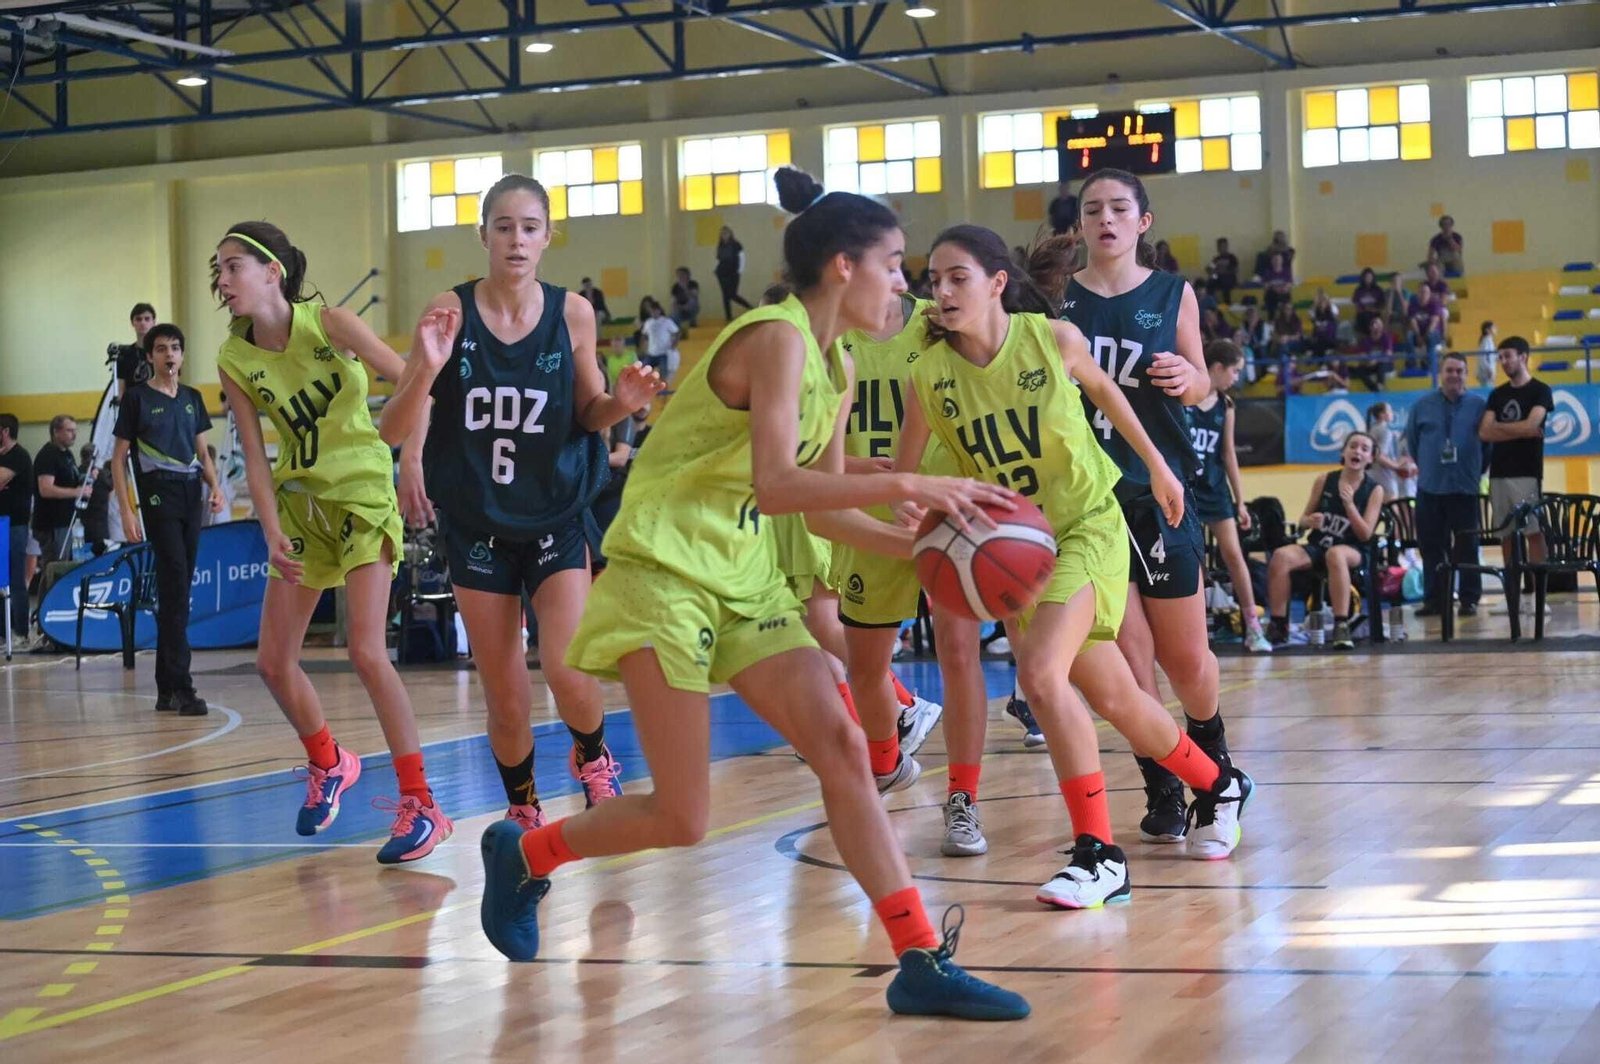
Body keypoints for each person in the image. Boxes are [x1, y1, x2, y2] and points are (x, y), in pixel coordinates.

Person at [477, 165, 1030, 1021]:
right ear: (843, 266)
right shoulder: (774, 337)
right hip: (667, 572)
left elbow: (828, 502)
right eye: (893, 264)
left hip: (745, 577)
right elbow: (779, 485)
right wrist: (913, 484)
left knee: (846, 748)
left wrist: (934, 546)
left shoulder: (838, 365)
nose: (904, 284)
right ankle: (527, 855)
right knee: (684, 816)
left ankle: (919, 958)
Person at [898, 219, 1253, 906]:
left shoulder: (1051, 340)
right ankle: (1218, 782)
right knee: (1119, 700)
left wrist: (1158, 469)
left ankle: (1100, 853)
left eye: (957, 277)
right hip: (1021, 552)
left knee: (1037, 673)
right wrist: (915, 511)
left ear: (998, 284)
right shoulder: (930, 378)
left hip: (1087, 527)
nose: (940, 291)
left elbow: (1109, 396)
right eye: (933, 280)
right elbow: (909, 480)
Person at [384, 174, 661, 833]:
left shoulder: (573, 314)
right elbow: (390, 433)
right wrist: (424, 367)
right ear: (482, 235)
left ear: (547, 237)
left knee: (567, 670)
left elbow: (590, 412)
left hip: (556, 514)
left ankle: (594, 760)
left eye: (529, 227)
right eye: (503, 226)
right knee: (505, 699)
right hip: (478, 522)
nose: (516, 239)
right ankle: (523, 809)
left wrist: (621, 406)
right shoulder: (448, 312)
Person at [213, 220, 454, 864]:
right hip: (301, 508)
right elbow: (256, 458)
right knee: (272, 661)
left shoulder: (333, 324)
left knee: (367, 652)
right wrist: (267, 526)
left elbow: (416, 384)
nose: (222, 279)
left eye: (233, 265)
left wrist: (410, 462)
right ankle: (332, 763)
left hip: (362, 494)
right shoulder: (235, 358)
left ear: (272, 271)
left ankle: (422, 804)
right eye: (218, 270)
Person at [1062, 168, 1240, 848]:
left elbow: (1200, 388)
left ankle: (1217, 761)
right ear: (1080, 225)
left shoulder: (1173, 293)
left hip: (1160, 493)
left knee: (1186, 661)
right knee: (1128, 662)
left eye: (1118, 208)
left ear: (1143, 222)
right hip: (1087, 504)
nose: (1104, 218)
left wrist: (1192, 379)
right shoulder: (1057, 305)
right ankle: (1165, 782)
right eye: (1091, 209)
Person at [820, 287, 975, 850]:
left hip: (947, 506)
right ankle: (887, 760)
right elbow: (812, 447)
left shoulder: (936, 324)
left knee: (960, 656)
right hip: (867, 512)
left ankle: (965, 797)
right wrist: (868, 472)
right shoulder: (831, 337)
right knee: (864, 665)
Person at [111, 322, 224, 716]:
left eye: (175, 348)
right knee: (175, 583)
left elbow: (202, 452)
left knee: (178, 592)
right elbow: (118, 458)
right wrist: (127, 509)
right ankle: (183, 686)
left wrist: (216, 488)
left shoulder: (192, 398)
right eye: (161, 349)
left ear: (183, 355)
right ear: (149, 356)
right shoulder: (137, 399)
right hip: (158, 497)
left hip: (191, 494)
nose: (169, 355)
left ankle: (165, 688)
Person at [1265, 432, 1385, 650]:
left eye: (1364, 449)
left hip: (1353, 549)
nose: (1357, 451)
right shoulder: (1324, 480)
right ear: (1343, 452)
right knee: (1281, 556)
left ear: (1371, 458)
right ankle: (1279, 625)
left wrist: (1349, 505)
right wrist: (1310, 521)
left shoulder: (1375, 490)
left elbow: (1365, 534)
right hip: (1319, 544)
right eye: (1353, 446)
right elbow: (1302, 520)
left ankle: (1341, 625)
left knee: (1336, 554)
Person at [1189, 341, 1272, 653]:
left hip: (1215, 489)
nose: (1237, 377)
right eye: (1235, 370)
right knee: (1192, 563)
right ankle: (1195, 634)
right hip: (1186, 489)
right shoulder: (1184, 395)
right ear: (1218, 367)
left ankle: (1253, 627)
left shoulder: (1226, 406)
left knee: (1235, 557)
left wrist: (1240, 501)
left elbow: (1228, 455)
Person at [1406, 352, 1489, 618]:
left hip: (1465, 489)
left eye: (1460, 371)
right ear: (1441, 373)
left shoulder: (1479, 405)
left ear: (1466, 374)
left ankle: (1469, 599)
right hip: (1430, 489)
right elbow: (1414, 444)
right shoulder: (1422, 406)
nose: (1454, 375)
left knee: (1468, 548)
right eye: (1450, 370)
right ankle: (1435, 600)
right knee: (1431, 548)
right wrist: (1431, 468)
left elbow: (1488, 447)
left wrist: (1474, 472)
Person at [1479, 335, 1552, 602]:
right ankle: (1513, 591)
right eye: (1500, 357)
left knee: (1533, 532)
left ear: (1523, 357)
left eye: (1508, 355)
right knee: (1506, 535)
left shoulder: (1541, 390)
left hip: (1527, 472)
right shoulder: (1497, 394)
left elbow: (1533, 425)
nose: (1503, 361)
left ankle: (1538, 590)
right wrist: (1520, 430)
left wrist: (1502, 429)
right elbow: (1484, 432)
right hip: (1499, 473)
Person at [32, 415, 86, 565]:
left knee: (65, 565)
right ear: (56, 432)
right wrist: (77, 492)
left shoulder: (67, 454)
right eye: (69, 430)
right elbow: (46, 489)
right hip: (51, 524)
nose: (74, 434)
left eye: (75, 430)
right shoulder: (48, 455)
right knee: (55, 568)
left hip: (66, 522)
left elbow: (72, 480)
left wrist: (86, 478)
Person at [0, 414, 32, 639]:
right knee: (2, 579)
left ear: (5, 431)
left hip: (14, 525)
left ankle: (20, 630)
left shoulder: (18, 456)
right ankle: (3, 631)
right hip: (3, 523)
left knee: (15, 578)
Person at [1365, 402, 1417, 503]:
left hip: (1371, 473)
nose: (1392, 413)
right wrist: (1396, 466)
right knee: (1391, 506)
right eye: (1390, 411)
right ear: (1382, 415)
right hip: (1383, 475)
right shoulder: (1385, 432)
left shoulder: (1372, 428)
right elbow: (1379, 456)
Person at [117, 302, 158, 397]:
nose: (143, 323)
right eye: (138, 319)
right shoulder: (124, 354)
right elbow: (121, 389)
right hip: (132, 406)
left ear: (154, 322)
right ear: (132, 322)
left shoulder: (161, 352)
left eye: (147, 319)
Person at [714, 226, 753, 320]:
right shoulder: (720, 245)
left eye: (726, 233)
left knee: (732, 294)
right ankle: (728, 317)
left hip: (733, 272)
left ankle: (750, 308)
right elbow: (718, 259)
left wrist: (739, 271)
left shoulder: (736, 244)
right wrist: (715, 269)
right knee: (725, 295)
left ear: (730, 234)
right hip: (721, 272)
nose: (724, 235)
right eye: (722, 233)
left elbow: (742, 258)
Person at [639, 298, 680, 380]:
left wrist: (674, 344)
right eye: (652, 311)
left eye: (655, 310)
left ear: (659, 311)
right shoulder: (648, 322)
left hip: (663, 353)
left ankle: (663, 391)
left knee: (663, 374)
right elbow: (644, 335)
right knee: (642, 372)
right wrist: (642, 347)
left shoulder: (666, 321)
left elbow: (677, 332)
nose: (654, 313)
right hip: (651, 353)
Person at [1350, 268, 1384, 336]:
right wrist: (1363, 309)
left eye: (1370, 277)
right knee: (1364, 317)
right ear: (1363, 278)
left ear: (1373, 277)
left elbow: (1382, 304)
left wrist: (1374, 309)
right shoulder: (1358, 290)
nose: (1368, 278)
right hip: (1362, 314)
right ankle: (1368, 338)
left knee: (1374, 320)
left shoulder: (1378, 289)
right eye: (1366, 277)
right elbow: (1356, 304)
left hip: (1375, 314)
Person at [1261, 252, 1294, 317]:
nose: (1277, 262)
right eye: (1275, 260)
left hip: (1283, 294)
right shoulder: (1267, 272)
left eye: (1278, 260)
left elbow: (1289, 284)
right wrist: (1274, 288)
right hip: (1271, 295)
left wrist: (1282, 288)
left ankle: (1286, 318)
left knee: (1285, 294)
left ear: (1282, 261)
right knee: (1270, 295)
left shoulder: (1287, 271)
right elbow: (1265, 286)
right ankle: (1271, 319)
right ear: (1271, 261)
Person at [1206, 237, 1239, 304]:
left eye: (1223, 246)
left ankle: (1227, 303)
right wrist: (1210, 270)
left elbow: (1234, 270)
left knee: (1224, 278)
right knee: (1210, 280)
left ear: (1227, 246)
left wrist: (1221, 271)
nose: (1221, 248)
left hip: (1229, 278)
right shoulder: (1216, 259)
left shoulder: (1232, 258)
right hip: (1217, 278)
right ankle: (1212, 302)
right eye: (1220, 246)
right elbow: (1210, 268)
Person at [1477, 320, 1498, 387]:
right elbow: (1483, 357)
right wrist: (1488, 369)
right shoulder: (1486, 341)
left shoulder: (1489, 340)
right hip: (1486, 372)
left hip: (1488, 371)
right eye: (1493, 327)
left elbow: (1492, 356)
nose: (1495, 329)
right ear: (1487, 330)